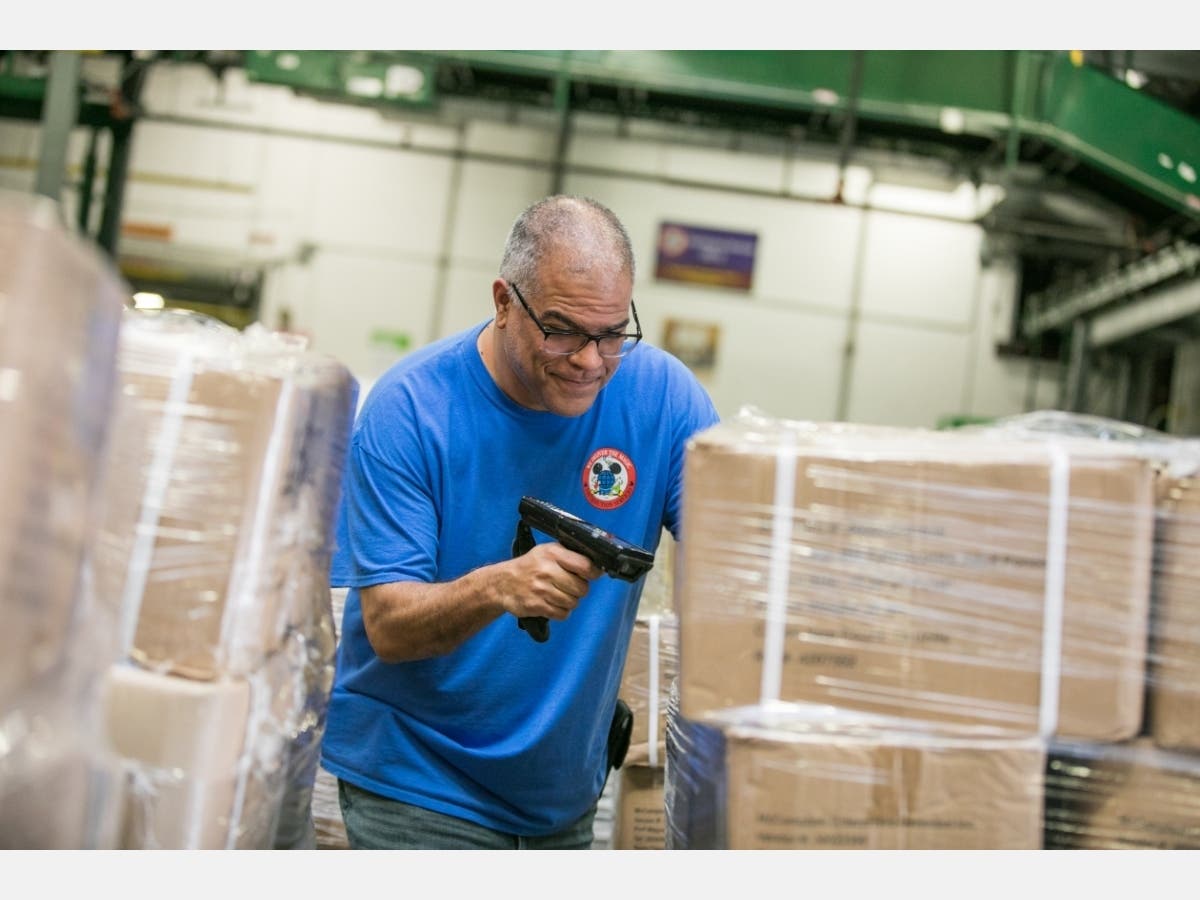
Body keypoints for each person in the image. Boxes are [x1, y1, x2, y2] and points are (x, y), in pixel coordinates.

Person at [320, 194, 720, 849]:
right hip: (421, 784)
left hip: (558, 802)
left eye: (613, 332)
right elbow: (388, 625)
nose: (591, 361)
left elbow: (739, 551)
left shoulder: (664, 399)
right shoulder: (412, 410)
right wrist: (498, 587)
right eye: (563, 329)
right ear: (505, 302)